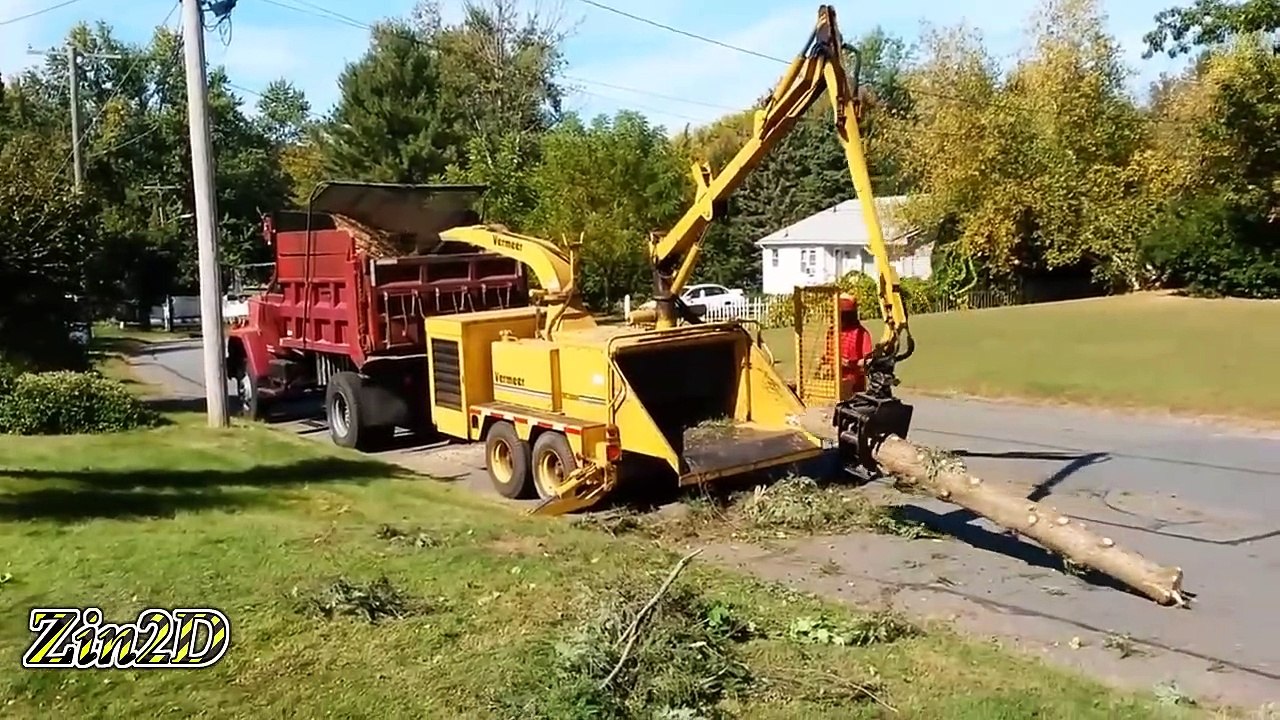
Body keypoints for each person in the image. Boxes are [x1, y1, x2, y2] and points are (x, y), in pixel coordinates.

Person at [837, 295, 874, 397]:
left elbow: (868, 360)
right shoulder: (832, 333)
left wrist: (851, 363)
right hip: (834, 385)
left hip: (855, 386)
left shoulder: (862, 333)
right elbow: (826, 358)